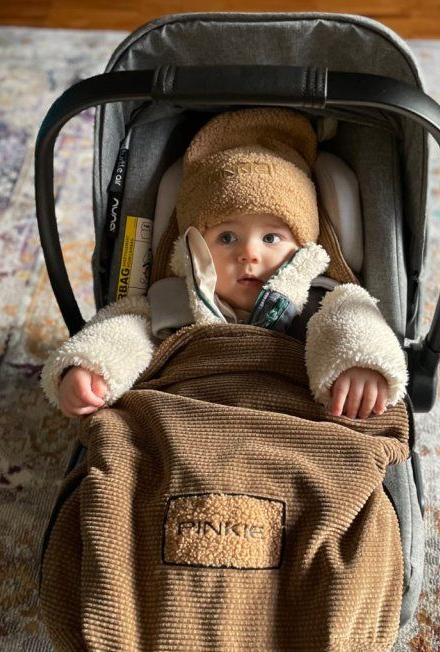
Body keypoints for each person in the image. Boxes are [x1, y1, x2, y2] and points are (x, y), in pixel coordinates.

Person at [40, 108, 408, 420]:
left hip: (291, 422)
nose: (249, 254)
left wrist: (361, 364)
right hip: (189, 419)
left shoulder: (322, 303)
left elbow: (357, 322)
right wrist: (93, 367)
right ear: (194, 246)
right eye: (227, 238)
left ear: (303, 246)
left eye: (271, 238)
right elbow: (123, 331)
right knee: (120, 435)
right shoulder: (172, 302)